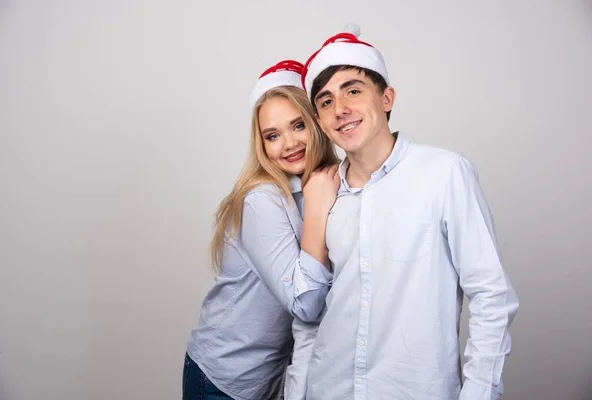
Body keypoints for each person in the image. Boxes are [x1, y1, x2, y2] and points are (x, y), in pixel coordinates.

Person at [291, 25, 520, 400]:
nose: (341, 109)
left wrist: (479, 394)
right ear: (319, 120)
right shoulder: (323, 193)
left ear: (386, 99)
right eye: (326, 101)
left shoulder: (444, 173)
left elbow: (491, 296)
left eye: (353, 90)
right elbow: (309, 318)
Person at [182, 60, 339, 400]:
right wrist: (316, 207)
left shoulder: (328, 183)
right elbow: (306, 305)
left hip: (276, 378)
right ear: (262, 144)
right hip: (224, 379)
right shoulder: (262, 200)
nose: (288, 143)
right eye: (272, 135)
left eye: (297, 125)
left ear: (316, 122)